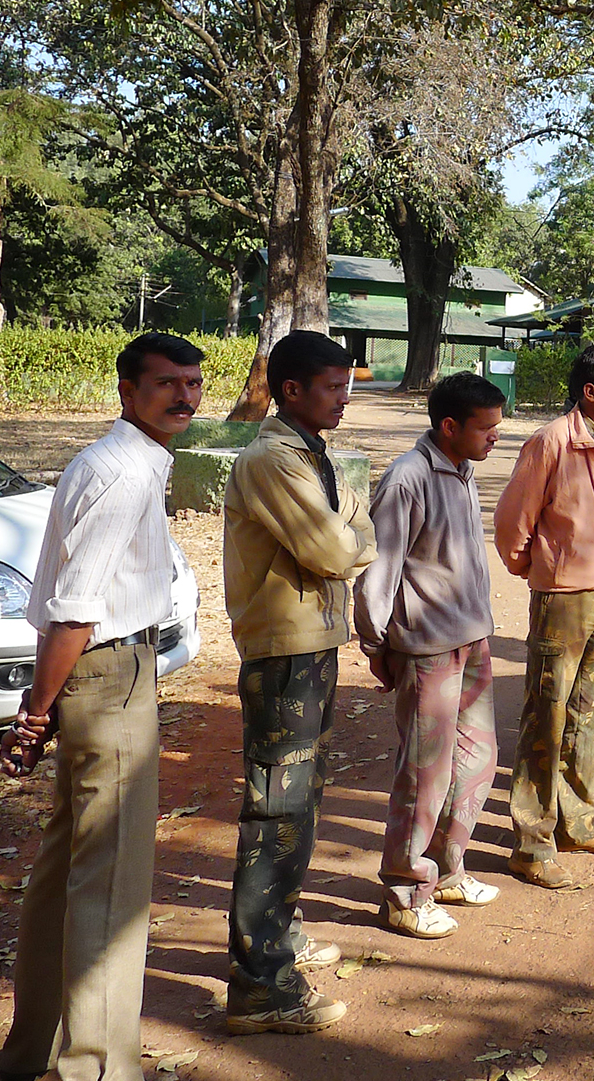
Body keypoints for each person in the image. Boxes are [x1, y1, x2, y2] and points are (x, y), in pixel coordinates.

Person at [0, 333, 205, 1074]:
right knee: (111, 884)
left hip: (99, 673)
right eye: (166, 384)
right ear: (127, 391)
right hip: (107, 675)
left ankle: (33, 1053)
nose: (184, 395)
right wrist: (34, 712)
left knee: (67, 873)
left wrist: (45, 703)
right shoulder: (121, 474)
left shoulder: (121, 462)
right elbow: (76, 609)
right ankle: (96, 1068)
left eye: (192, 382)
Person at [222, 330, 376, 1033]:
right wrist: (347, 532)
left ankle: (279, 935)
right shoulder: (273, 459)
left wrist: (347, 532)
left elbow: (353, 537)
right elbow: (336, 550)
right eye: (333, 387)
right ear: (291, 390)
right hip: (284, 648)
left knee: (300, 800)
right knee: (277, 811)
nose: (346, 399)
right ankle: (261, 985)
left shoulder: (311, 452)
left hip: (312, 642)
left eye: (347, 386)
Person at [356, 372, 507, 939]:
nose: (495, 438)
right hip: (427, 652)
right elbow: (382, 567)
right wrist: (377, 641)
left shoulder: (464, 470)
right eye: (486, 428)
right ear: (449, 427)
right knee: (424, 776)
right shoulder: (407, 478)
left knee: (476, 762)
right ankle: (404, 890)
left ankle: (447, 869)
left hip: (472, 641)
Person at [493, 342, 594, 889]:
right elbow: (514, 520)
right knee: (547, 717)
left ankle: (580, 819)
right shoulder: (552, 441)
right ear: (589, 391)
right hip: (563, 596)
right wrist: (538, 569)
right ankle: (532, 843)